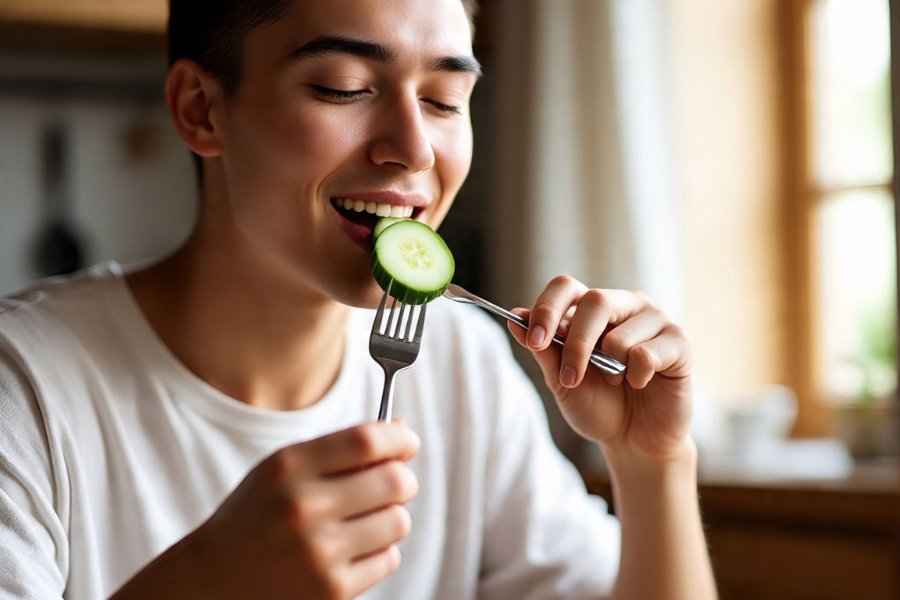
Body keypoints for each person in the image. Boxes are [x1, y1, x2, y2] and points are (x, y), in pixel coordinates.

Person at [0, 0, 717, 598]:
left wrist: (653, 464)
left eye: (444, 100)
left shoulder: (457, 361)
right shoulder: (25, 385)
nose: (414, 148)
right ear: (202, 110)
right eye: (344, 87)